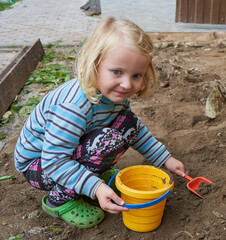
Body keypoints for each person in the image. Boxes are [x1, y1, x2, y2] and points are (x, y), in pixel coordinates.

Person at [14, 17, 185, 228]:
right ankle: (58, 201)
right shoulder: (73, 107)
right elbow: (54, 161)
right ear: (94, 64)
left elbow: (135, 131)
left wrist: (165, 159)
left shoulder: (114, 95)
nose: (126, 84)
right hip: (40, 165)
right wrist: (96, 187)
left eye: (136, 75)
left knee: (128, 124)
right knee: (107, 140)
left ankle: (91, 173)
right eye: (117, 72)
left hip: (63, 152)